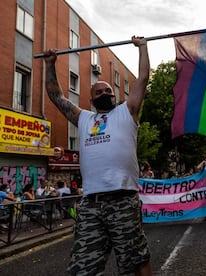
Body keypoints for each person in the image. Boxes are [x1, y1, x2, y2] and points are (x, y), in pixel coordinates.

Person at [43, 35, 152, 275]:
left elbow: (143, 78)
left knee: (136, 260)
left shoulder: (127, 111)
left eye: (109, 90)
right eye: (99, 90)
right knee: (82, 268)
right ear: (91, 99)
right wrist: (50, 64)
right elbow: (57, 97)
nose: (105, 93)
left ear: (114, 96)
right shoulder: (83, 118)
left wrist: (142, 48)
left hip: (123, 200)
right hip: (91, 204)